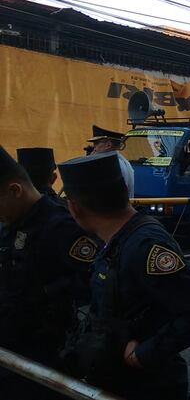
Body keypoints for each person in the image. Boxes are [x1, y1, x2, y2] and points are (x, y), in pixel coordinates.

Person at [59, 151, 190, 400]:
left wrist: (146, 353)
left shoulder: (144, 246)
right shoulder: (118, 240)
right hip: (119, 379)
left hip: (148, 386)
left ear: (75, 207)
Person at [0, 145, 97, 400]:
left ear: (15, 190)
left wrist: (43, 293)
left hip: (43, 353)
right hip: (10, 347)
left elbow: (93, 284)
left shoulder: (60, 227)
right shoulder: (13, 224)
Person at [88, 125, 134, 198]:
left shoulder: (107, 164)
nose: (94, 148)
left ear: (108, 145)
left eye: (96, 143)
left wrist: (89, 163)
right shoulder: (124, 161)